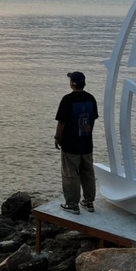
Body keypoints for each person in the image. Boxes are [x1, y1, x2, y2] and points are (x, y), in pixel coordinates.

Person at [55, 71, 98, 214]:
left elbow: (62, 122)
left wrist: (57, 137)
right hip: (86, 143)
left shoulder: (67, 100)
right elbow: (93, 120)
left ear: (72, 84)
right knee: (88, 173)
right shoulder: (91, 99)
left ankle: (72, 204)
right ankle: (89, 202)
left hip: (70, 144)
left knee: (70, 174)